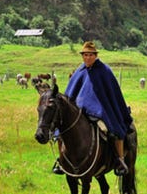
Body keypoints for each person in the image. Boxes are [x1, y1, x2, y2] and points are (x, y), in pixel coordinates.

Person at [53, 41, 132, 175]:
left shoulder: (104, 71)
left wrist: (98, 108)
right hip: (78, 111)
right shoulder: (80, 71)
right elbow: (70, 94)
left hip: (100, 111)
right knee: (61, 132)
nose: (87, 58)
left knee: (111, 130)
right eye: (85, 55)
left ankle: (120, 160)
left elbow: (112, 94)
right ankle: (62, 161)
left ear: (95, 55)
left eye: (90, 55)